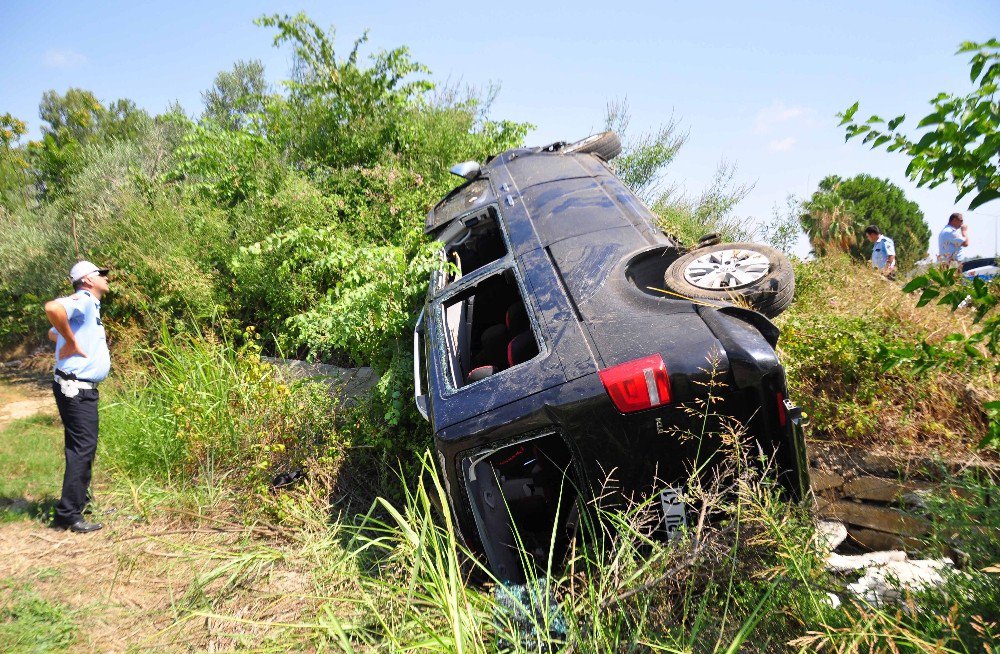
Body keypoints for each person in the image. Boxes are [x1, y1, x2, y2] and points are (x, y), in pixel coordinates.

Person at [44, 261, 111, 533]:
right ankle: (68, 515)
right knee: (82, 449)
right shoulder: (83, 299)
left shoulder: (90, 306)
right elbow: (52, 308)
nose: (106, 278)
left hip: (79, 388)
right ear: (87, 280)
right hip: (76, 389)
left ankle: (79, 504)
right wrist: (71, 342)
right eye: (101, 274)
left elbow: (52, 331)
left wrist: (65, 336)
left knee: (83, 448)